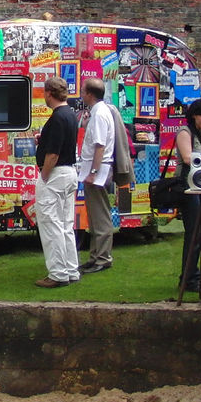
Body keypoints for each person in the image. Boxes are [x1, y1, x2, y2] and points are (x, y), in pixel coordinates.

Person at [33, 76, 80, 288]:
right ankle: (71, 269)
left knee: (50, 224)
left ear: (49, 93)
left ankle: (58, 273)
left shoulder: (57, 118)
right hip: (69, 172)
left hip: (56, 173)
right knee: (65, 224)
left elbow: (53, 153)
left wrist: (44, 175)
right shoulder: (70, 114)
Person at [173, 97, 201, 294]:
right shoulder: (185, 132)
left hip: (197, 189)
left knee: (198, 235)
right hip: (187, 189)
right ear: (193, 115)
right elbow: (188, 158)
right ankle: (189, 278)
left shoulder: (200, 134)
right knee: (194, 235)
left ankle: (192, 276)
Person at [76, 77, 115, 275]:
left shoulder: (99, 114)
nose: (81, 94)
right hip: (96, 169)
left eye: (83, 91)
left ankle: (103, 258)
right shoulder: (98, 111)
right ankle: (95, 256)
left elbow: (100, 146)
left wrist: (93, 172)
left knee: (100, 216)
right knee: (94, 215)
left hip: (98, 171)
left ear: (90, 94)